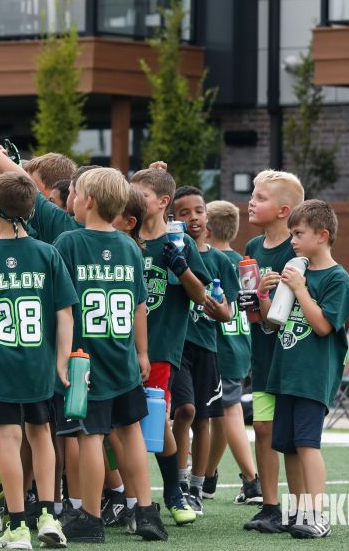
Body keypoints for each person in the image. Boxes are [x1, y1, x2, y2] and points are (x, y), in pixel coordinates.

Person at [52, 168, 168, 542]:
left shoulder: (68, 242)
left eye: (75, 193)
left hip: (85, 358)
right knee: (130, 430)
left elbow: (63, 306)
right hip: (122, 355)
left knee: (90, 435)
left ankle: (89, 515)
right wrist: (143, 351)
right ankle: (146, 511)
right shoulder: (130, 247)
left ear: (87, 201)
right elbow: (138, 306)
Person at [0, 171, 74, 550]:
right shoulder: (48, 253)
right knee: (42, 436)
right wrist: (62, 361)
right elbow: (65, 312)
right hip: (39, 362)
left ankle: (16, 526)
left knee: (8, 441)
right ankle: (48, 515)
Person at [265, 200, 349, 539]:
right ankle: (299, 510)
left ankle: (317, 514)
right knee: (287, 445)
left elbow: (321, 326)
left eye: (298, 233)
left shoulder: (337, 278)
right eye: (291, 234)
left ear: (323, 235)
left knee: (307, 444)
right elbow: (274, 322)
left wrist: (300, 289)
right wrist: (266, 294)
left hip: (312, 376)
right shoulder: (296, 271)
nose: (292, 241)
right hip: (286, 372)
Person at [129, 167, 210, 527]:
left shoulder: (180, 243)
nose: (133, 199)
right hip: (117, 348)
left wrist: (181, 268)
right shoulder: (125, 237)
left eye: (141, 194)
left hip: (160, 349)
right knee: (121, 423)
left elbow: (202, 296)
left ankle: (173, 492)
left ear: (163, 202)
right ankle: (126, 498)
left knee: (155, 421)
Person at [238, 169, 304, 534]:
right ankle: (269, 506)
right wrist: (249, 297)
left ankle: (300, 507)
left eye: (260, 198)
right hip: (262, 352)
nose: (251, 201)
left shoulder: (297, 251)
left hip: (291, 355)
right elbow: (252, 311)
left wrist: (264, 297)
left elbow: (283, 314)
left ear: (283, 210)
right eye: (252, 194)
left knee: (289, 431)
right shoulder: (251, 248)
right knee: (262, 427)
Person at [168, 186, 233, 516]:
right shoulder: (171, 251)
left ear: (207, 215)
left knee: (205, 419)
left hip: (208, 347)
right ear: (173, 219)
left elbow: (229, 313)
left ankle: (196, 485)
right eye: (184, 213)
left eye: (198, 210)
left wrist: (216, 307)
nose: (193, 217)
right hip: (178, 346)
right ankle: (178, 484)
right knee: (185, 411)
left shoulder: (220, 260)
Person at [199, 199, 261, 506]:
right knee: (221, 415)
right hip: (240, 345)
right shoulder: (244, 261)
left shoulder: (208, 260)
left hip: (220, 347)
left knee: (230, 412)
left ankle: (252, 480)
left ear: (206, 228)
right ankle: (208, 476)